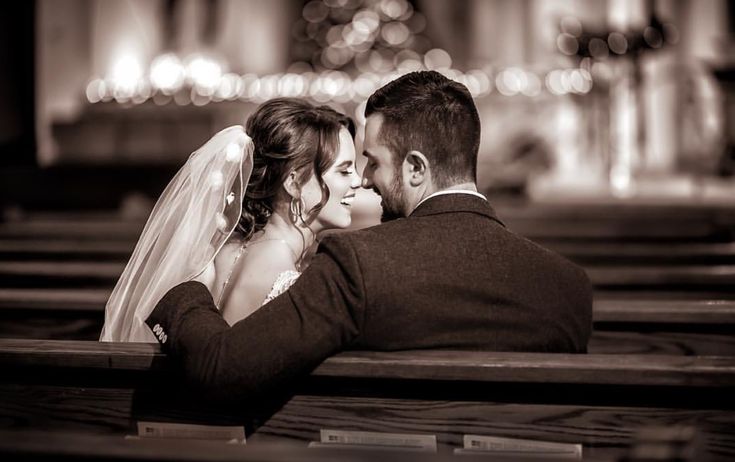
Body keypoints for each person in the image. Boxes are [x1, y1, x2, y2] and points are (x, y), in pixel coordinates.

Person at [146, 71, 593, 402]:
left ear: (416, 168)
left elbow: (224, 368)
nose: (364, 179)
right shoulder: (568, 286)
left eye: (373, 161)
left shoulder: (359, 265)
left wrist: (186, 290)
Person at [100, 98, 359, 342]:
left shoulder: (225, 248)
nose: (357, 181)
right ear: (293, 182)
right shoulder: (288, 281)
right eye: (345, 171)